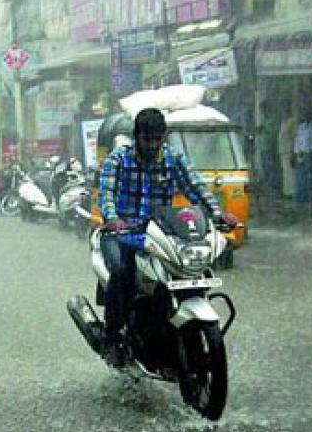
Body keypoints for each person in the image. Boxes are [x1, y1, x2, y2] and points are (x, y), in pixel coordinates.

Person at [98, 108, 237, 366]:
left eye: (157, 139)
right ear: (137, 137)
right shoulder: (118, 159)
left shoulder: (173, 159)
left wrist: (217, 214)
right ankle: (113, 335)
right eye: (147, 139)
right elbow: (106, 192)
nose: (153, 145)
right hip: (123, 234)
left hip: (160, 234)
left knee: (190, 272)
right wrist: (112, 218)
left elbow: (195, 187)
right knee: (121, 271)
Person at [292, 107, 312, 203]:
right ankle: (301, 197)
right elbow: (297, 140)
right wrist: (296, 151)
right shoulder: (301, 127)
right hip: (300, 154)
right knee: (300, 176)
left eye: (307, 114)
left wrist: (309, 151)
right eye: (304, 114)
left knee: (310, 176)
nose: (305, 116)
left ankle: (311, 197)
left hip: (310, 154)